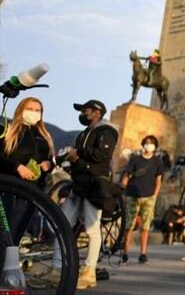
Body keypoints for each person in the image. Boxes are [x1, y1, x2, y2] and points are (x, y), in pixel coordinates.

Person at [51, 100, 119, 289]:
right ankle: (57, 269)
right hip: (78, 183)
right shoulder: (84, 133)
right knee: (62, 223)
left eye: (86, 110)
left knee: (92, 228)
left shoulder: (106, 131)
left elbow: (101, 157)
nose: (82, 114)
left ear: (97, 112)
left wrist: (77, 154)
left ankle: (89, 272)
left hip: (94, 183)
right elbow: (75, 157)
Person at [0, 97, 55, 250]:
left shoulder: (44, 136)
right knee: (5, 231)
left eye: (38, 110)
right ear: (21, 110)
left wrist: (48, 164)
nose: (34, 113)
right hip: (9, 188)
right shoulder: (9, 130)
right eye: (30, 109)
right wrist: (17, 167)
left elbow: (51, 160)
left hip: (32, 191)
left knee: (17, 231)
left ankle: (8, 267)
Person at [120, 135, 165, 265]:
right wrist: (124, 185)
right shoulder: (135, 159)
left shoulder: (157, 161)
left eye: (151, 143)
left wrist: (155, 196)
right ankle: (125, 253)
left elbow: (158, 180)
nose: (149, 145)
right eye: (146, 143)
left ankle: (143, 254)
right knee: (129, 225)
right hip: (133, 195)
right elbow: (127, 174)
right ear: (143, 144)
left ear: (155, 146)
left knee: (145, 227)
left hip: (148, 197)